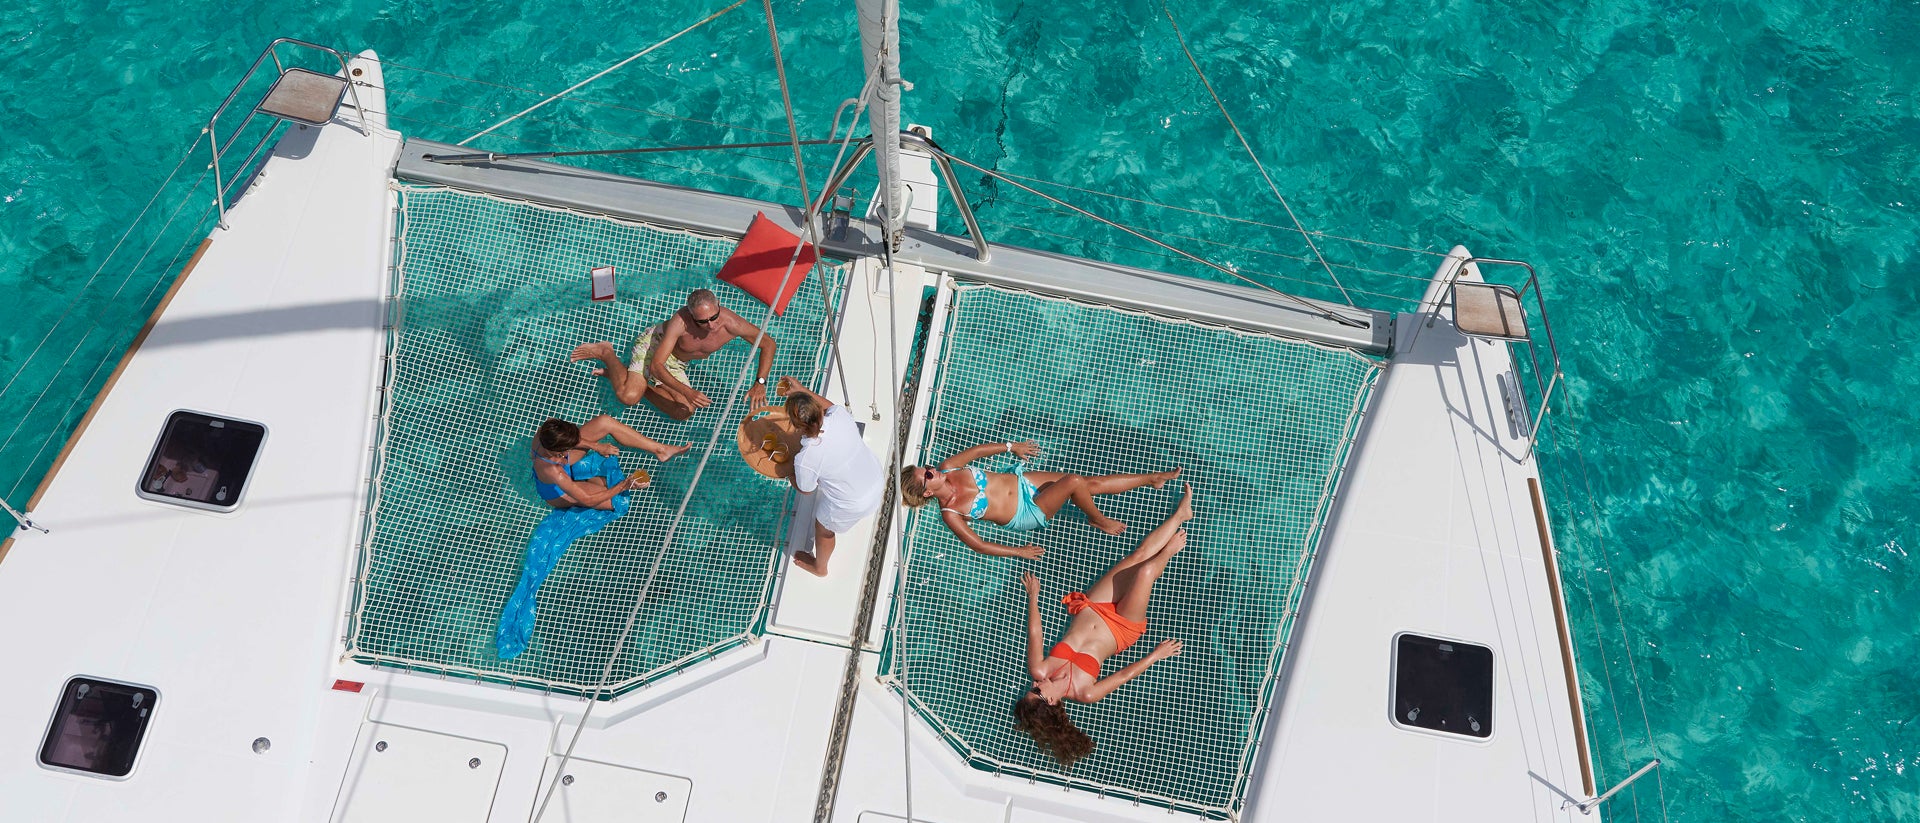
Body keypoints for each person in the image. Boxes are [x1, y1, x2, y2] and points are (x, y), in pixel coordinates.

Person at [1013, 485, 1193, 766]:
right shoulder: (1086, 693)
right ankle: (1170, 549)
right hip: (1122, 627)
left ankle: (1181, 515)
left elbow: (1035, 632)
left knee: (1137, 557)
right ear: (1050, 702)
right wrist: (1156, 655)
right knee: (1146, 572)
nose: (1035, 682)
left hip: (1092, 607)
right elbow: (1123, 675)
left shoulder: (1041, 669)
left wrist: (1033, 597)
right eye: (1036, 690)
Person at [898, 445, 1180, 560]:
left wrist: (1011, 447)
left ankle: (1152, 479)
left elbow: (978, 452)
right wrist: (1017, 551)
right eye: (928, 474)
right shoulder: (950, 513)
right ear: (926, 493)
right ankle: (1098, 519)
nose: (931, 468)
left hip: (1022, 482)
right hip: (1025, 512)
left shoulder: (948, 467)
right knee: (1074, 483)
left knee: (1089, 483)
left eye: (926, 466)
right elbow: (979, 545)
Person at [570, 288, 779, 419]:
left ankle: (626, 377)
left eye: (714, 317)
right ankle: (607, 353)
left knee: (683, 412)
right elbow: (656, 366)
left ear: (719, 307)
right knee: (628, 396)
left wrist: (760, 383)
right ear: (690, 315)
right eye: (702, 321)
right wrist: (688, 392)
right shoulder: (680, 323)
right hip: (654, 348)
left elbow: (768, 343)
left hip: (677, 362)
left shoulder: (731, 323)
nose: (711, 325)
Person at [778, 376, 883, 577]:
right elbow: (830, 406)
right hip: (874, 477)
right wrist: (803, 390)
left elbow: (806, 490)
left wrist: (787, 470)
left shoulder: (806, 458)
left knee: (823, 526)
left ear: (796, 425)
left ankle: (820, 567)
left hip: (855, 502)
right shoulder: (840, 416)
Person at [531, 415, 689, 509]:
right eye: (562, 452)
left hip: (558, 464)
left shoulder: (547, 430)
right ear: (553, 450)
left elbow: (569, 440)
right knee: (616, 501)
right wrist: (625, 485)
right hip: (558, 492)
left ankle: (660, 450)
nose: (566, 455)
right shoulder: (553, 471)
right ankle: (587, 481)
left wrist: (596, 446)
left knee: (604, 422)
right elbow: (587, 499)